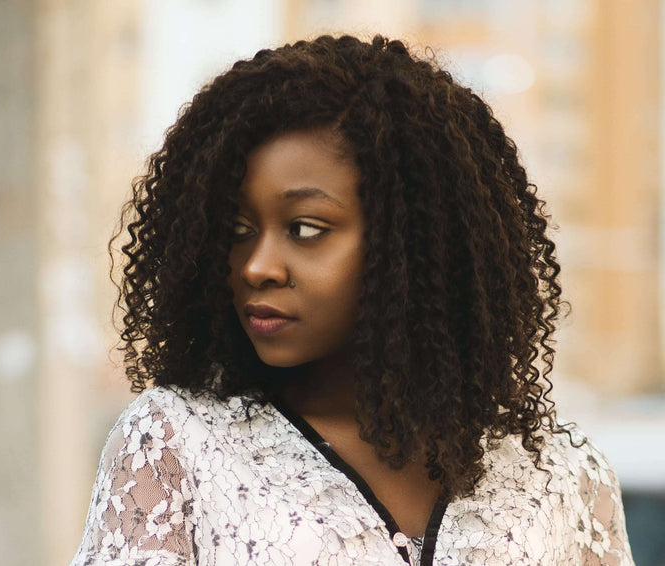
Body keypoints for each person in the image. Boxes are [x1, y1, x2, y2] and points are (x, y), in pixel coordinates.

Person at [69, 34, 635, 566]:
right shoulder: (175, 447)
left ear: (414, 243)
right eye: (237, 229)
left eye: (306, 229)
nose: (256, 266)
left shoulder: (562, 479)